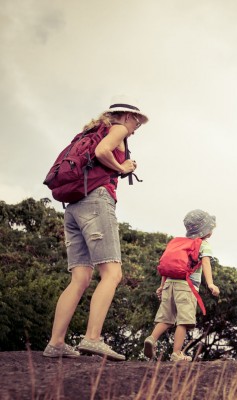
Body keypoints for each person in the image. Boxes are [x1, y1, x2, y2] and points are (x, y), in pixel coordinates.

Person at [42, 96, 148, 361]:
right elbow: (102, 152)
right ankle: (92, 338)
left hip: (74, 204)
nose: (136, 128)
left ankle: (56, 343)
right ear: (125, 116)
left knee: (80, 278)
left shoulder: (87, 132)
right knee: (112, 273)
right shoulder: (118, 129)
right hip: (96, 201)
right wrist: (122, 167)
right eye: (137, 121)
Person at [143, 209, 220, 362]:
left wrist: (161, 286)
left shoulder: (177, 243)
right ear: (206, 230)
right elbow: (206, 263)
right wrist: (211, 284)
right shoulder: (203, 244)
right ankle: (177, 353)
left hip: (169, 283)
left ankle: (152, 338)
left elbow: (167, 266)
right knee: (184, 320)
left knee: (166, 318)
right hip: (186, 287)